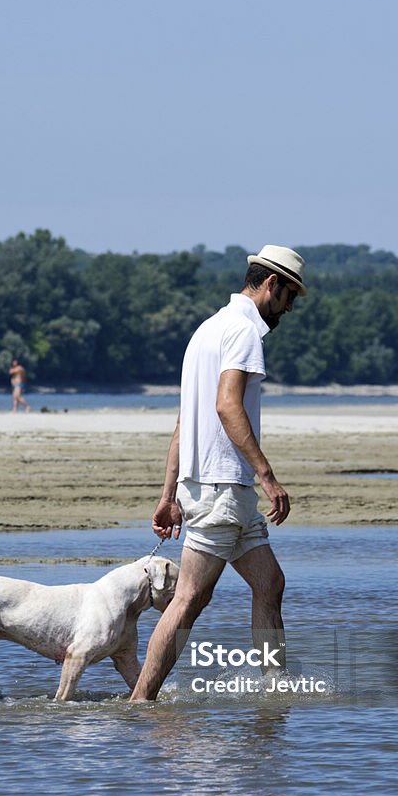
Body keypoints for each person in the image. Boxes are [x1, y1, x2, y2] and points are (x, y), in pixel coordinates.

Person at [129, 245, 306, 701]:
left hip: (216, 488)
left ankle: (274, 693)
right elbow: (226, 406)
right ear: (271, 284)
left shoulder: (206, 331)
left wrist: (169, 495)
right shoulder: (244, 332)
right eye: (289, 297)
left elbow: (183, 424)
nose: (289, 308)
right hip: (223, 487)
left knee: (270, 583)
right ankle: (141, 700)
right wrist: (267, 474)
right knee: (188, 597)